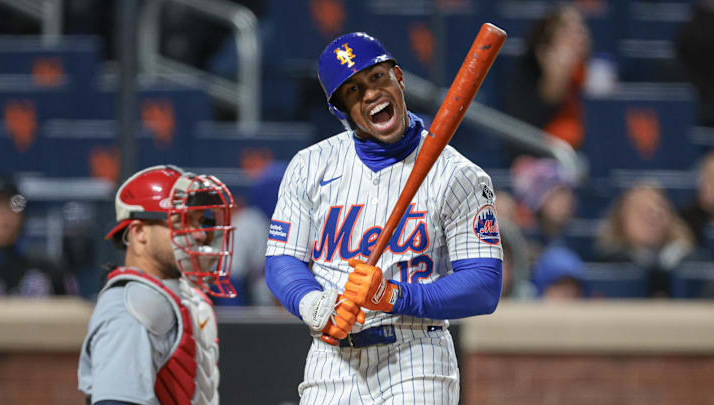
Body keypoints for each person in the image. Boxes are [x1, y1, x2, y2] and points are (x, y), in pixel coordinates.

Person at [265, 33, 503, 403]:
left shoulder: (458, 174)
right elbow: (282, 259)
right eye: (354, 90)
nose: (371, 94)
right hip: (332, 358)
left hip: (416, 355)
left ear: (399, 78)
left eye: (377, 78)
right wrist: (314, 304)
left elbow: (484, 284)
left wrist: (393, 295)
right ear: (341, 109)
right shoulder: (310, 165)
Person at [78, 165, 237, 405]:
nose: (200, 234)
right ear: (140, 232)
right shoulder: (131, 306)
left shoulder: (186, 296)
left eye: (199, 221)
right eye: (181, 221)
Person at [504, 4, 591, 156]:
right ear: (550, 35)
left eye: (579, 27)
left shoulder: (587, 68)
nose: (579, 34)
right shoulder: (537, 62)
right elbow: (542, 108)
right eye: (567, 29)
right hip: (540, 153)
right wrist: (558, 75)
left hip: (578, 150)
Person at [596, 183, 696, 297]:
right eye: (640, 211)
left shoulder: (693, 262)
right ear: (621, 220)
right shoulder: (609, 265)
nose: (652, 217)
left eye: (658, 210)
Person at [0, 175, 78, 297]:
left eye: (12, 206)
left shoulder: (48, 267)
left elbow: (73, 309)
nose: (4, 214)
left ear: (23, 215)